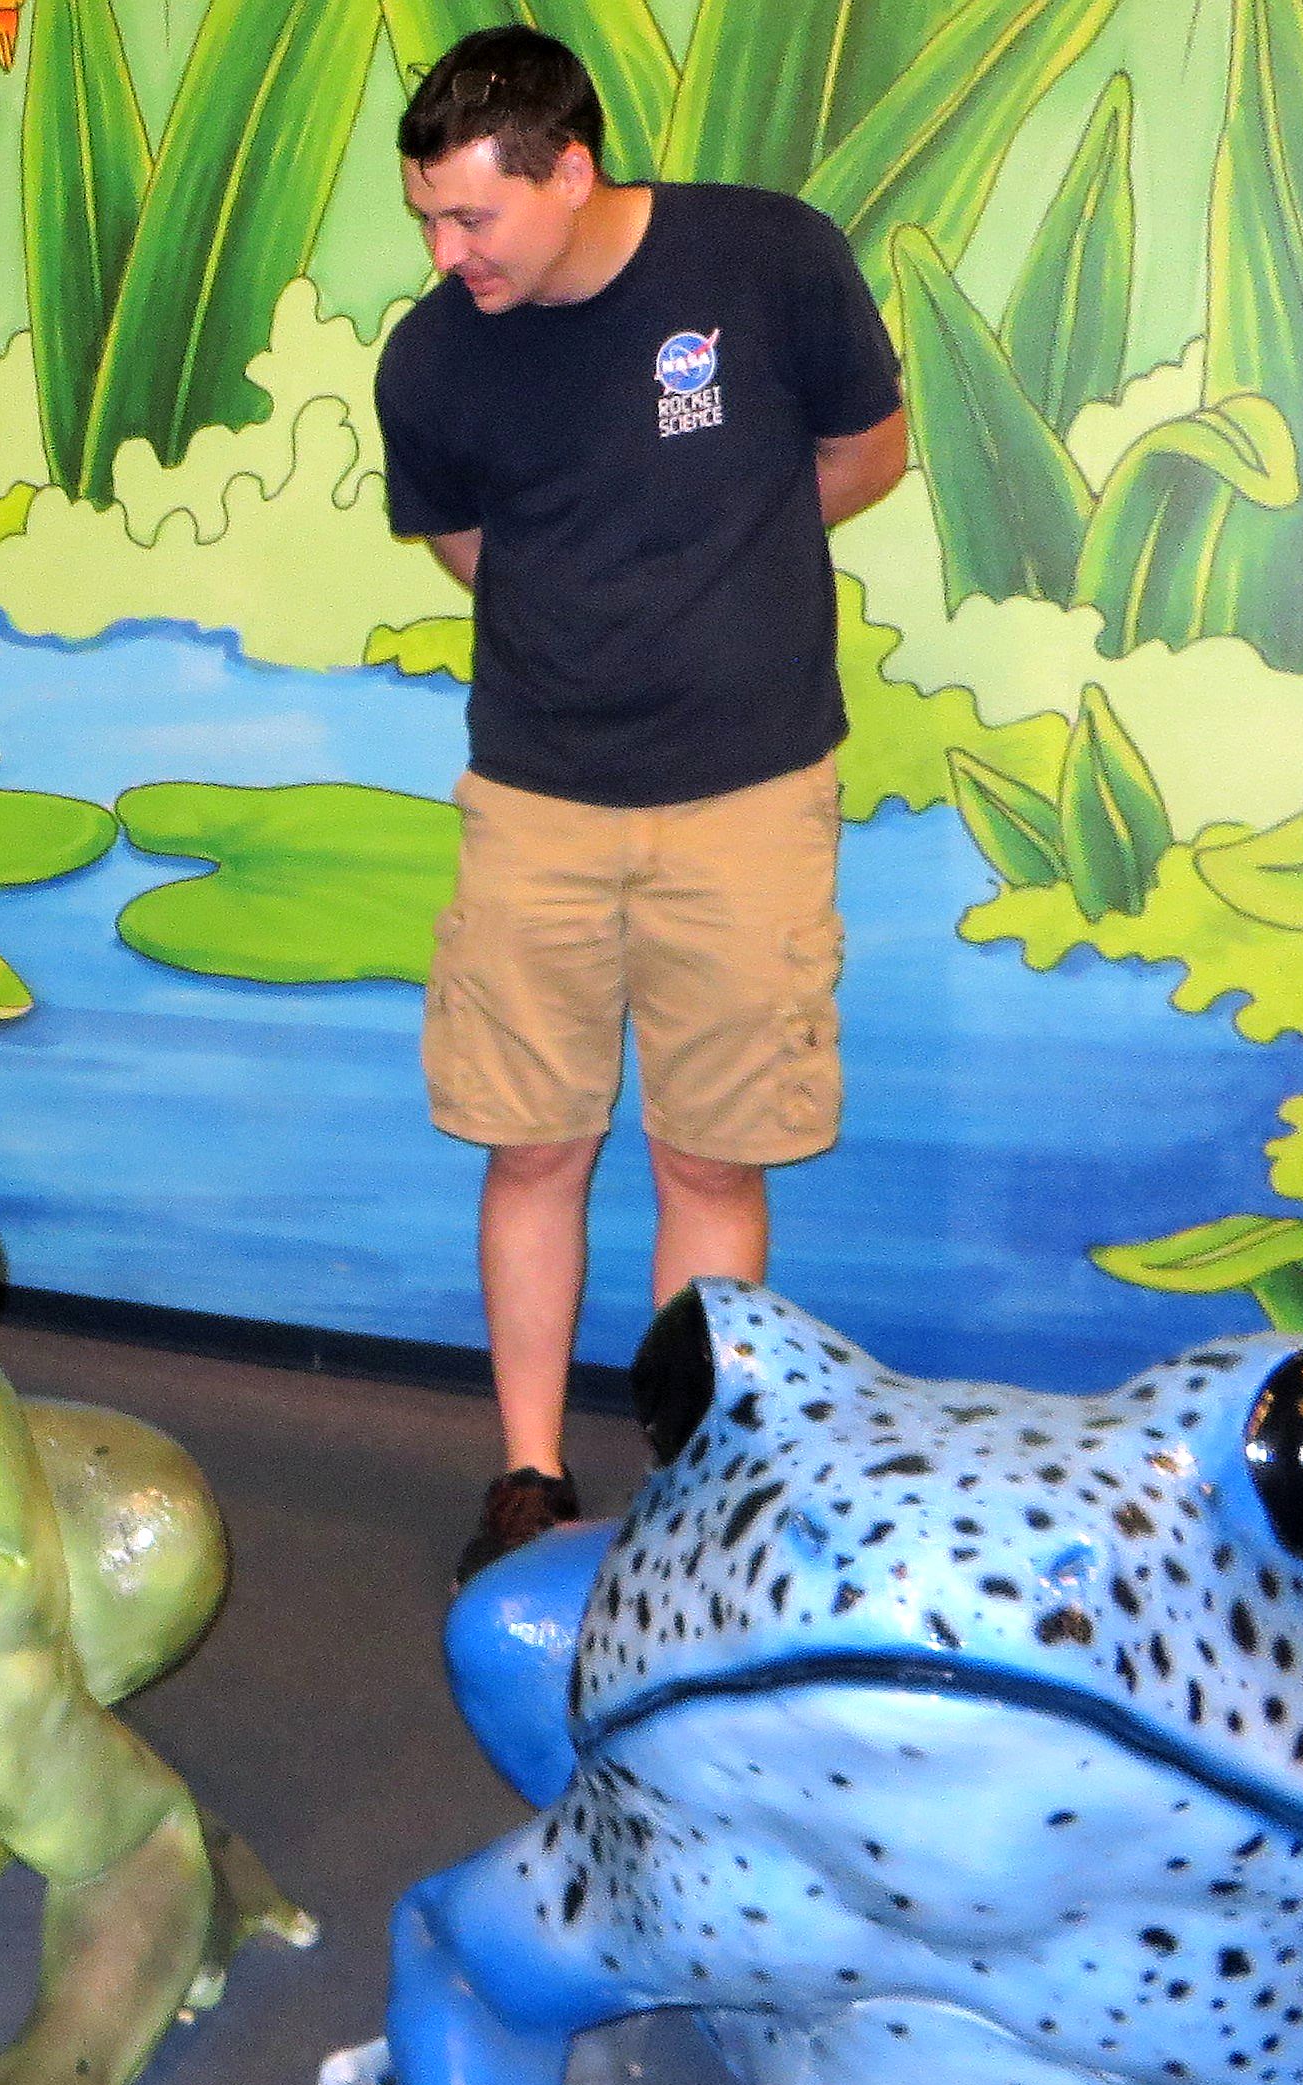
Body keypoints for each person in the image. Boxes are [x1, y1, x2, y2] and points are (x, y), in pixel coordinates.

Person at [377, 26, 910, 1587]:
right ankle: (528, 1473)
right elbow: (476, 551)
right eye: (427, 218)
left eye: (472, 216)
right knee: (532, 1148)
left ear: (572, 170)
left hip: (750, 795)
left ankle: (698, 1485)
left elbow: (865, 455)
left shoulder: (770, 262)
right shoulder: (431, 357)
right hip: (534, 799)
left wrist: (722, 556)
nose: (446, 251)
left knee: (714, 1161)